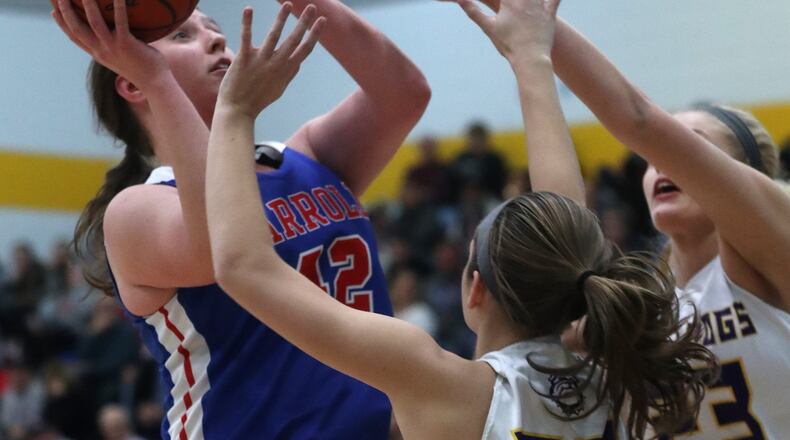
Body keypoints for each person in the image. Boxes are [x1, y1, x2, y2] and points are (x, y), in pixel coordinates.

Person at [205, 0, 716, 438]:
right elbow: (565, 230)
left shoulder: (448, 388)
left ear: (476, 292)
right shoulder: (618, 375)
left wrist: (233, 111)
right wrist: (530, 59)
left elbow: (246, 268)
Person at [53, 0, 430, 437]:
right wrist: (157, 79)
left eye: (214, 29)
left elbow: (404, 92)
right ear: (132, 85)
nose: (216, 39)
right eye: (182, 35)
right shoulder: (136, 210)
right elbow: (223, 245)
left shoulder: (303, 157)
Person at [500, 1, 790, 437]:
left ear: (742, 173)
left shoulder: (776, 249)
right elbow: (561, 224)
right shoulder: (638, 305)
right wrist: (530, 66)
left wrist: (530, 30)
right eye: (652, 160)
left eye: (688, 147)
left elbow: (638, 119)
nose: (660, 163)